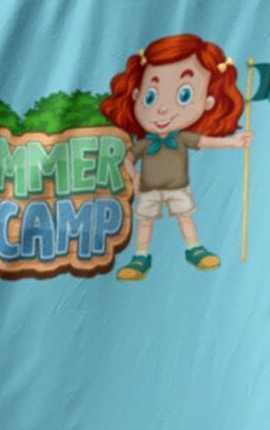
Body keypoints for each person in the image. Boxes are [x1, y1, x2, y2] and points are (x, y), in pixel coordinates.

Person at [98, 33, 252, 279]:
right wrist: (134, 176)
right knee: (145, 222)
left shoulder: (180, 137)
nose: (162, 108)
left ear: (208, 102)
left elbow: (205, 141)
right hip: (148, 188)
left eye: (184, 94)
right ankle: (140, 257)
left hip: (177, 186)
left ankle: (194, 249)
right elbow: (127, 157)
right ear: (136, 96)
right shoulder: (146, 142)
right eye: (151, 96)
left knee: (184, 217)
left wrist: (233, 142)